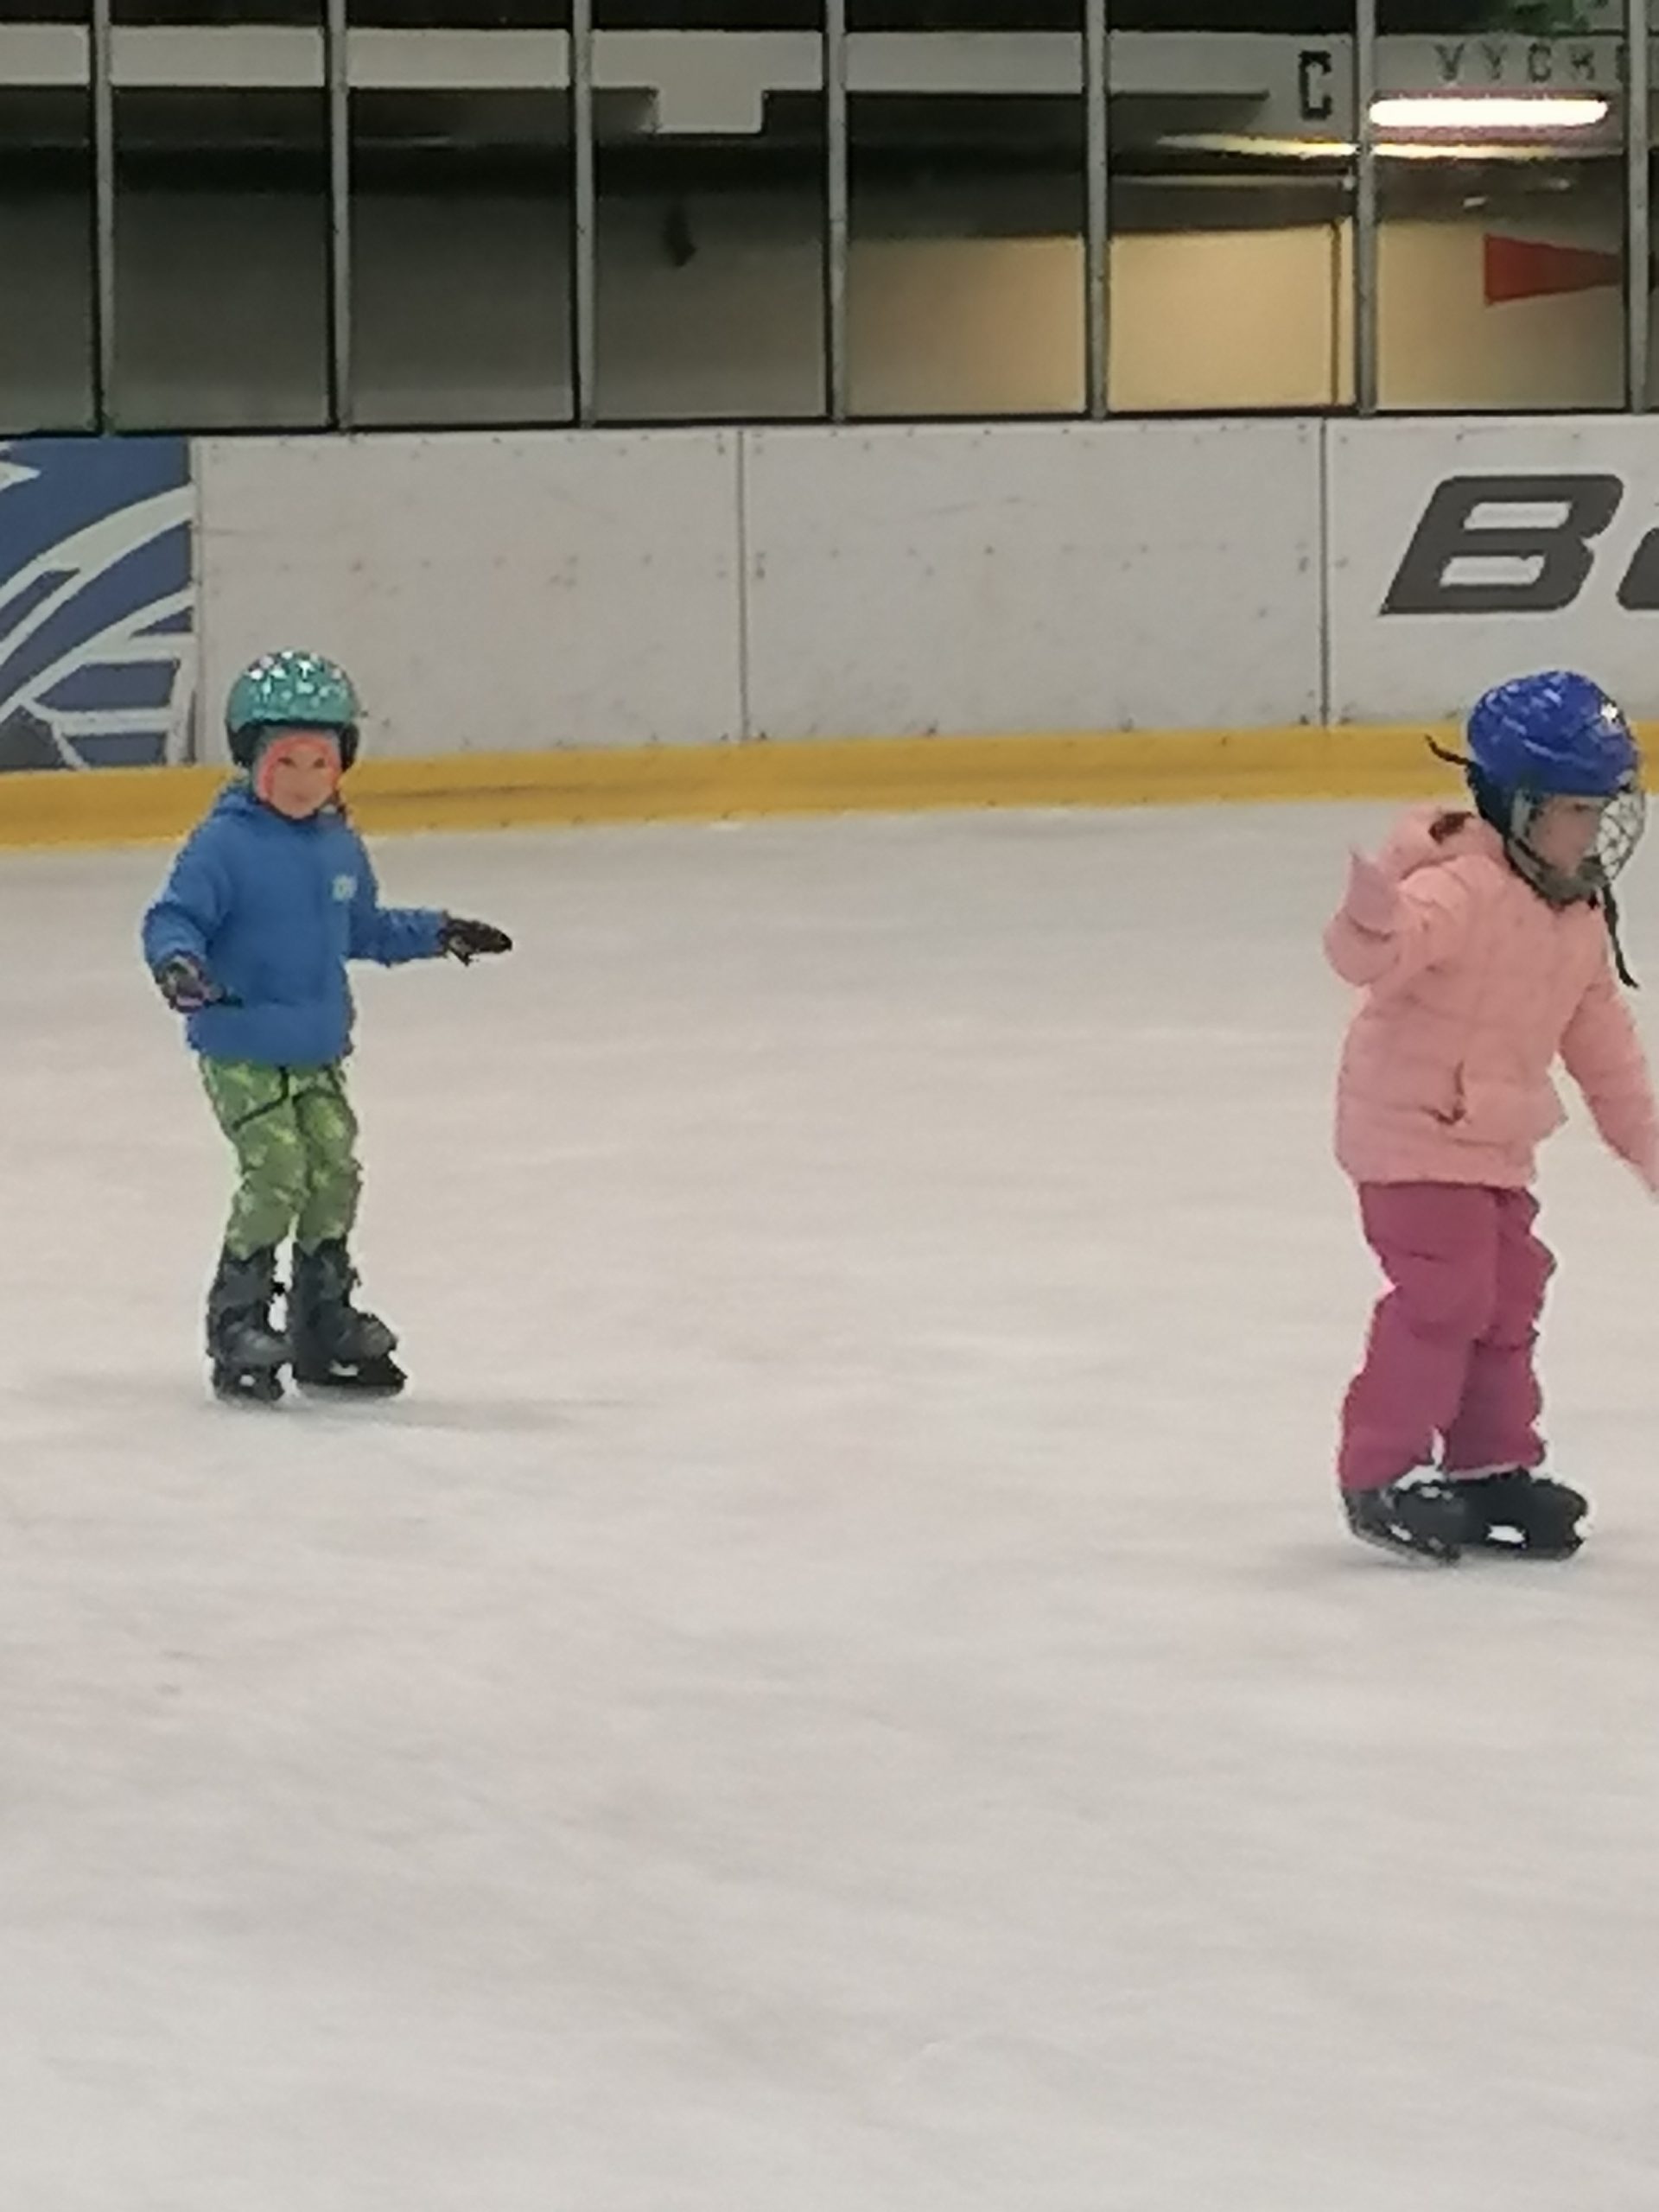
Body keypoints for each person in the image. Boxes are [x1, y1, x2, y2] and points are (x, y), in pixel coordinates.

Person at [1325, 669, 1657, 1562]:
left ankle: (1489, 1462)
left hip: (1492, 1144)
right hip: (1410, 1134)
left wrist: (1649, 1146)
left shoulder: (1576, 918)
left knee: (1509, 1298)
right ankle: (1383, 1469)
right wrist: (1370, 918)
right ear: (1517, 805)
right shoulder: (1461, 890)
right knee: (1446, 1297)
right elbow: (1376, 956)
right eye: (1574, 810)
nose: (1593, 830)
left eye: (1602, 809)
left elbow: (1606, 1053)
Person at [142, 649, 512, 1405]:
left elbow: (364, 928)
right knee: (277, 1169)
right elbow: (174, 916)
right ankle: (238, 1320)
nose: (305, 780)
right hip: (241, 1042)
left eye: (321, 762)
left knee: (335, 1169)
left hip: (315, 1045)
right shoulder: (224, 845)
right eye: (287, 762)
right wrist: (178, 964)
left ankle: (322, 1319)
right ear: (254, 762)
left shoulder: (338, 843)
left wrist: (439, 931)